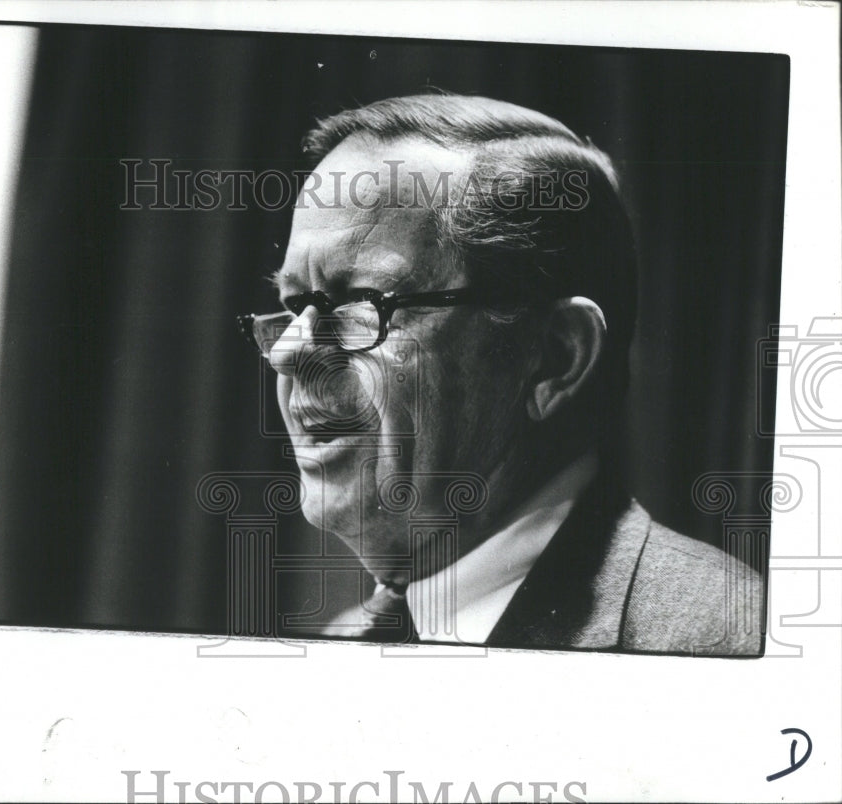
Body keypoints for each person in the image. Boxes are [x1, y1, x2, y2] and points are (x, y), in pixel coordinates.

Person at [237, 94, 763, 655]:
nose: (289, 352)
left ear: (555, 359)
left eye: (364, 302)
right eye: (294, 306)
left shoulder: (725, 640)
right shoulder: (340, 639)